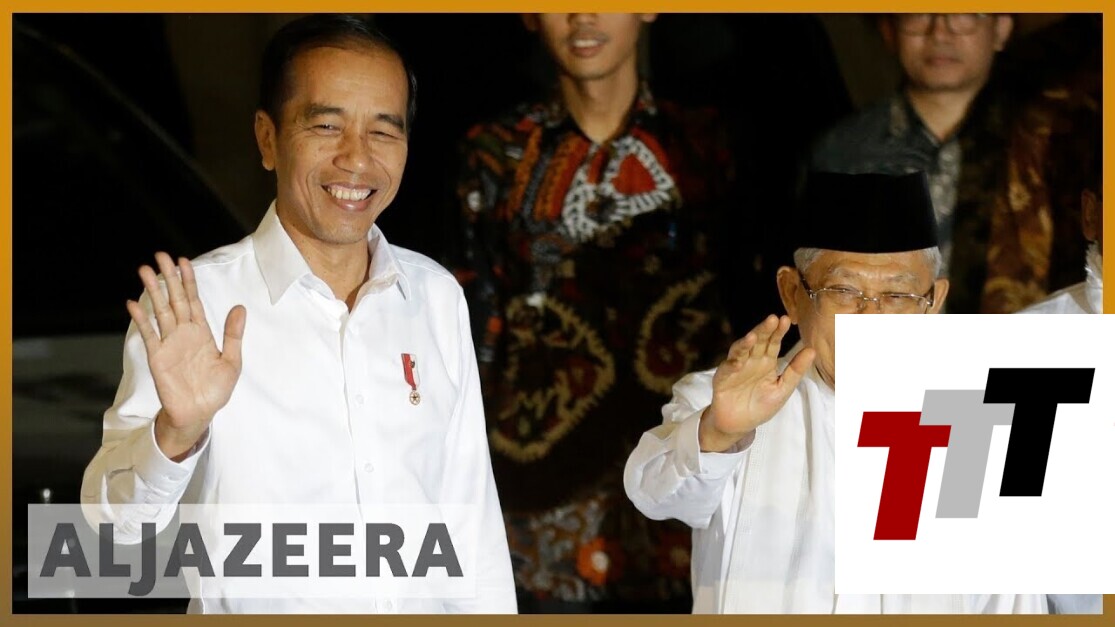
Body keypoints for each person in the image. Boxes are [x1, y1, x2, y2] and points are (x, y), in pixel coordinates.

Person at [80, 14, 515, 614]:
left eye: (383, 131)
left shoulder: (435, 297)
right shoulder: (195, 306)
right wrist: (176, 435)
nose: (357, 158)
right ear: (268, 138)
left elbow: (472, 525)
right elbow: (112, 530)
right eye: (327, 125)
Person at [624, 171, 1048, 614]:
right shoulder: (722, 402)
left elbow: (1014, 604)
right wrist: (719, 433)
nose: (871, 318)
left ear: (934, 302)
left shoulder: (988, 426)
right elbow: (656, 496)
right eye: (844, 291)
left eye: (897, 295)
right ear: (792, 294)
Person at [452, 12, 734, 612]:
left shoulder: (706, 146)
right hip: (540, 495)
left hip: (681, 479)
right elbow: (471, 325)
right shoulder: (496, 153)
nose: (583, 16)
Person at [810, 13, 1085, 314]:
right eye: (918, 14)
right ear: (889, 29)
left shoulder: (1054, 141)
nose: (940, 33)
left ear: (1001, 28)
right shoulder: (843, 151)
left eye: (962, 14)